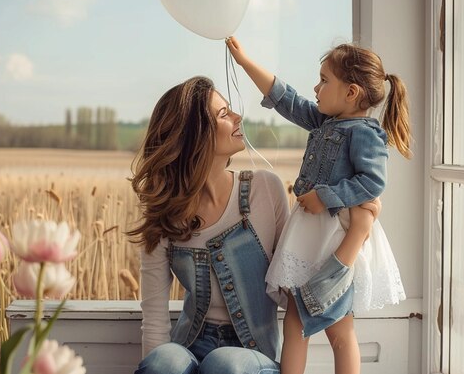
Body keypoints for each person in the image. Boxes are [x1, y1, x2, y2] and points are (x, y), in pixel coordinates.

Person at [127, 76, 380, 374]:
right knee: (164, 360)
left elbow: (294, 280)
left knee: (226, 363)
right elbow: (155, 321)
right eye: (223, 114)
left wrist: (356, 231)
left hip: (251, 357)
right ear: (195, 135)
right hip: (189, 351)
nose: (237, 117)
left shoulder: (264, 189)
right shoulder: (162, 214)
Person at [226, 36, 409, 374]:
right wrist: (244, 61)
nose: (316, 87)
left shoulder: (364, 133)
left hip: (334, 238)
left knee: (339, 329)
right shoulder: (326, 122)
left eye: (324, 80)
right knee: (295, 321)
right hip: (310, 237)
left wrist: (325, 196)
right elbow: (287, 99)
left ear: (351, 92)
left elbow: (372, 183)